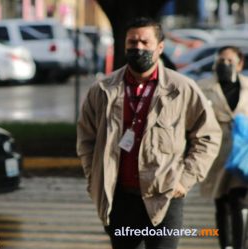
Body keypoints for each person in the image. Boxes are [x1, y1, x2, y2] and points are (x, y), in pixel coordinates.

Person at [76, 17, 222, 249]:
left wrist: (184, 180)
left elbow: (208, 136)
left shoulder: (181, 88)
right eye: (132, 42)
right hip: (120, 200)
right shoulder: (103, 90)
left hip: (165, 198)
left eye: (145, 42)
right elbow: (86, 139)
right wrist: (94, 177)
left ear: (160, 47)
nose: (138, 48)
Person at [199, 46, 248, 249]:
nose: (225, 65)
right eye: (221, 61)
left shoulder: (247, 87)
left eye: (229, 61)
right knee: (221, 201)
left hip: (242, 155)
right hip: (216, 153)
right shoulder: (203, 88)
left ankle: (238, 244)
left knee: (239, 200)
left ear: (239, 64)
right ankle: (225, 244)